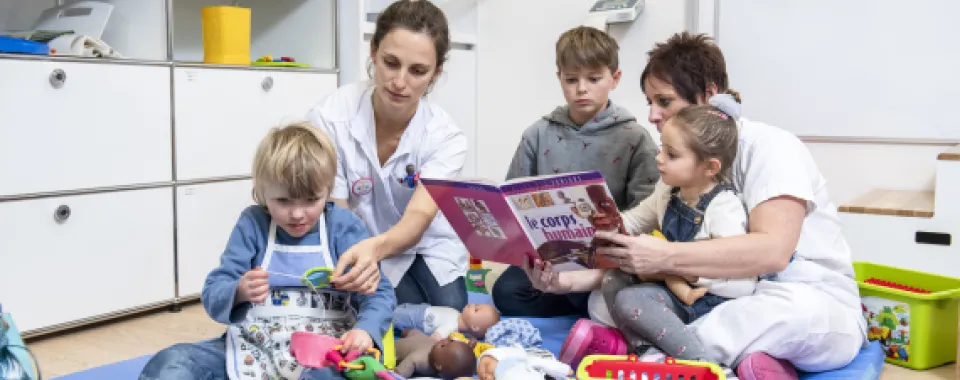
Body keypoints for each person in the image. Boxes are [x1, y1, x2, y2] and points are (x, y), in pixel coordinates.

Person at [589, 32, 867, 380]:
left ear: (709, 94)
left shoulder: (771, 147)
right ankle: (755, 365)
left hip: (795, 293)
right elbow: (636, 221)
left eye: (664, 101)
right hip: (713, 297)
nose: (652, 115)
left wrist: (663, 256)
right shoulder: (681, 159)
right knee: (601, 303)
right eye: (649, 102)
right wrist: (580, 239)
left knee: (786, 316)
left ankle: (656, 355)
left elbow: (773, 252)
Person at [139, 123, 396, 380]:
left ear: (327, 191)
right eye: (283, 201)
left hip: (325, 351)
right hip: (254, 347)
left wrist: (366, 331)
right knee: (171, 362)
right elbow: (214, 290)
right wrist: (238, 291)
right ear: (262, 193)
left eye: (311, 200)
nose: (297, 214)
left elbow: (379, 291)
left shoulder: (343, 227)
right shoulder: (252, 224)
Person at [527, 96, 757, 366]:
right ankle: (647, 351)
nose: (659, 159)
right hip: (673, 292)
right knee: (614, 281)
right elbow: (633, 221)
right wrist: (593, 225)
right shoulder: (669, 191)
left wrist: (681, 272)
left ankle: (705, 366)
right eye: (662, 149)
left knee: (630, 299)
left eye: (671, 155)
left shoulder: (724, 206)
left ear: (710, 167)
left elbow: (743, 283)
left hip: (708, 301)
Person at [305, 0, 469, 310]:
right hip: (352, 239)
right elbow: (336, 212)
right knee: (386, 307)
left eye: (418, 71)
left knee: (450, 309)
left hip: (423, 241)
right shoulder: (329, 117)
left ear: (436, 73)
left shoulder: (446, 136)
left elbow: (419, 218)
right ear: (373, 51)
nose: (400, 82)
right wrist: (360, 257)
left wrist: (375, 250)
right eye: (391, 63)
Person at [491, 26, 660, 318]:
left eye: (594, 79)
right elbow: (511, 198)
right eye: (571, 79)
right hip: (549, 257)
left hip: (606, 260)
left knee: (625, 292)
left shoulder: (635, 139)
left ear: (614, 78)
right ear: (560, 79)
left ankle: (581, 300)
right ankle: (577, 301)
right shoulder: (538, 134)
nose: (582, 89)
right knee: (506, 292)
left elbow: (646, 212)